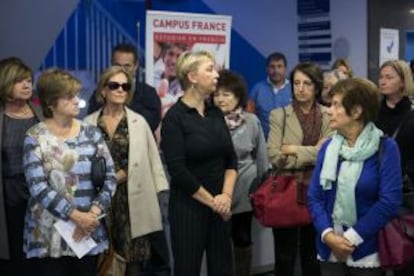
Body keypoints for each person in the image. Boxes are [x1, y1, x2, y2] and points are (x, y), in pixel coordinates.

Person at [23, 68, 116, 276]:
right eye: (69, 96)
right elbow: (37, 186)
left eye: (76, 94)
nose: (77, 100)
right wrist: (76, 216)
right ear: (50, 103)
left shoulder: (91, 133)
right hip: (49, 236)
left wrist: (92, 215)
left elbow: (109, 177)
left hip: (87, 233)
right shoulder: (35, 136)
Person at [308, 78, 402, 276]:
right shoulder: (328, 147)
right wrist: (328, 235)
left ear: (357, 111)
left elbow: (389, 202)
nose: (328, 110)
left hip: (366, 248)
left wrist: (351, 237)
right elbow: (315, 196)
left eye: (335, 105)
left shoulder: (386, 148)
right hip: (329, 246)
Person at [84, 65, 169, 275]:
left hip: (133, 198)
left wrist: (159, 193)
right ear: (103, 90)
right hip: (99, 201)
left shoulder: (139, 122)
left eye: (125, 86)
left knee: (134, 260)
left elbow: (151, 160)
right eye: (114, 85)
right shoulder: (87, 123)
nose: (121, 90)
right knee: (103, 260)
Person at [160, 51, 238, 276]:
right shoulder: (175, 117)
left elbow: (231, 160)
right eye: (210, 69)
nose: (216, 75)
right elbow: (178, 171)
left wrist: (226, 197)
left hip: (220, 207)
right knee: (187, 270)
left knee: (223, 269)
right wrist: (214, 202)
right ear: (192, 77)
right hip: (189, 208)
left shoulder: (215, 113)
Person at [267, 62, 331, 276]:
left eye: (307, 83)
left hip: (320, 191)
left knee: (313, 255)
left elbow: (328, 156)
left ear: (317, 87)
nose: (300, 88)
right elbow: (276, 157)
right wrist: (314, 151)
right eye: (296, 83)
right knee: (284, 256)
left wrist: (293, 149)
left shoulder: (329, 115)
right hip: (287, 190)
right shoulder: (279, 115)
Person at [213, 70, 268, 276]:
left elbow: (261, 156)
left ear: (238, 96)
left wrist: (261, 187)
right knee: (218, 240)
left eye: (226, 94)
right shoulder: (208, 121)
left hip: (245, 189)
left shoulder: (251, 121)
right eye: (217, 94)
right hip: (216, 190)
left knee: (242, 236)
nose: (220, 99)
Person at [0, 57, 43, 275]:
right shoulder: (3, 117)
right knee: (15, 257)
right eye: (20, 81)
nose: (27, 85)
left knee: (39, 258)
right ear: (6, 82)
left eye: (29, 80)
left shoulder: (41, 114)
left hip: (40, 194)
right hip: (8, 196)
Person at [376, 59, 414, 276]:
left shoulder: (412, 115)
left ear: (402, 82)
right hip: (374, 190)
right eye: (381, 77)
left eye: (389, 77)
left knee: (403, 251)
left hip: (404, 194)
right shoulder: (372, 113)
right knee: (376, 255)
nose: (383, 81)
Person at [88, 43, 161, 132]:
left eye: (127, 66)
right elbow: (92, 121)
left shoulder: (148, 92)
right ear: (111, 65)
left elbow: (153, 123)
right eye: (118, 65)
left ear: (136, 66)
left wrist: (124, 101)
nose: (122, 70)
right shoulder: (102, 91)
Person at [248, 52, 292, 139]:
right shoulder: (257, 89)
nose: (276, 71)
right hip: (263, 142)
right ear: (267, 69)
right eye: (272, 67)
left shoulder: (294, 89)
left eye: (279, 66)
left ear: (285, 69)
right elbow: (249, 117)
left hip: (289, 142)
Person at [153, 42, 189, 117]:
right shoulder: (152, 76)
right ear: (163, 57)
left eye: (178, 57)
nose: (173, 61)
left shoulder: (186, 86)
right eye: (170, 54)